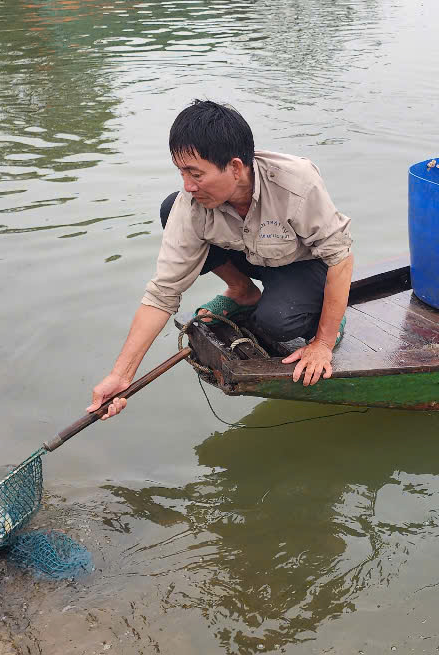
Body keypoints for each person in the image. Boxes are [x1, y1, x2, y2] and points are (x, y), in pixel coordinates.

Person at [89, 101, 353, 419]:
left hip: (302, 264)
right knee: (169, 206)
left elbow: (341, 257)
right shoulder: (192, 204)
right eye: (182, 172)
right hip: (251, 256)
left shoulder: (295, 182)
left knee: (277, 323)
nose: (188, 185)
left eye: (196, 174)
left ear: (236, 168)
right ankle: (242, 292)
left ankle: (329, 324)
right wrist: (121, 376)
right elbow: (162, 294)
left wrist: (322, 342)